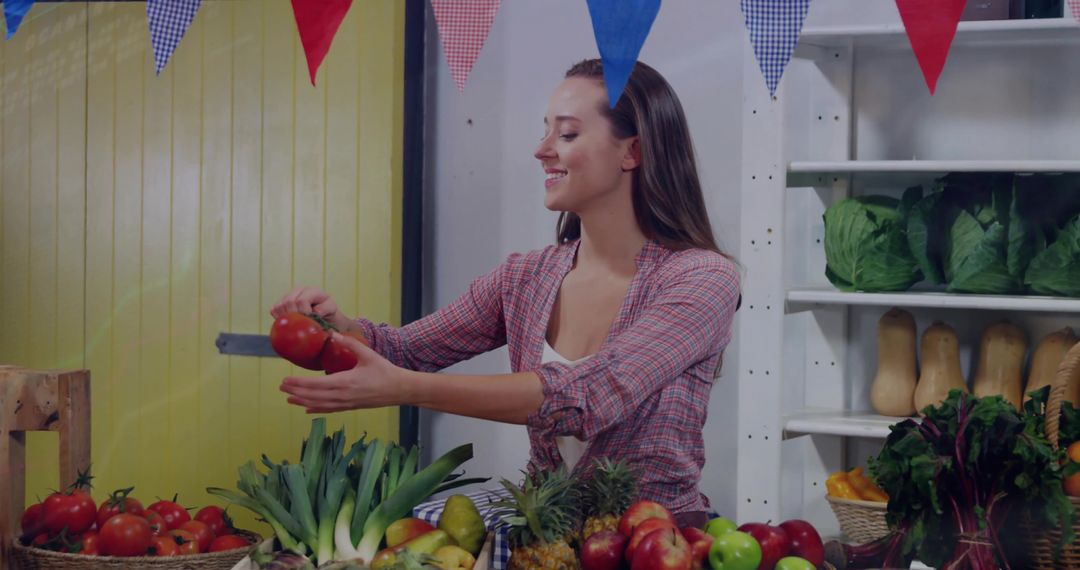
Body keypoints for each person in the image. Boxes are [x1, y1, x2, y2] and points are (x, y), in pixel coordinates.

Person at [271, 58, 741, 527]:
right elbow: (408, 351)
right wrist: (339, 331)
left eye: (568, 134)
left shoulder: (701, 279)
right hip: (543, 539)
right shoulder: (525, 277)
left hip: (657, 543)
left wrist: (405, 389)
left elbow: (589, 395)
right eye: (545, 131)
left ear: (631, 151)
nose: (541, 150)